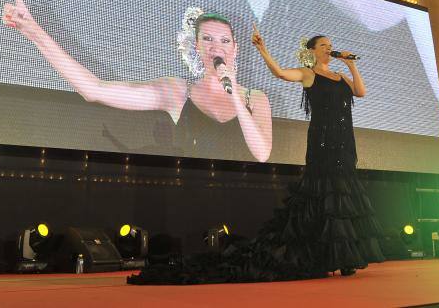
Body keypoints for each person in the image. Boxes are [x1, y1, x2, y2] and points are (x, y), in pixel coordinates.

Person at [128, 28, 385, 284]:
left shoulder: (340, 76)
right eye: (323, 45)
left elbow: (360, 92)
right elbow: (281, 73)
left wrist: (351, 66)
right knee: (326, 193)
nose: (329, 48)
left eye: (330, 45)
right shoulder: (309, 74)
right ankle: (330, 256)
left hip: (344, 141)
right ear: (311, 52)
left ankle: (343, 256)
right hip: (323, 141)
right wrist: (262, 50)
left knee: (343, 193)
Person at [2, 0, 272, 162]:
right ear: (197, 46)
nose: (217, 47)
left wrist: (234, 92)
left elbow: (261, 153)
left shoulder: (256, 99)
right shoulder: (178, 91)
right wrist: (34, 33)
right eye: (208, 40)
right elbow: (94, 90)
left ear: (235, 49)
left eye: (225, 41)